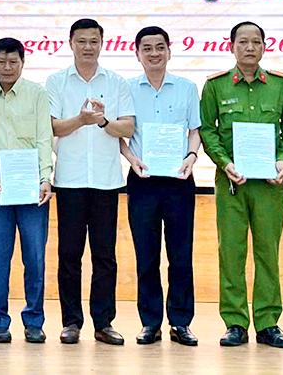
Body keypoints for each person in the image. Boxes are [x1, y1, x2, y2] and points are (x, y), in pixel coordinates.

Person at [199, 21, 283, 349]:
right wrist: (223, 162)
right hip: (231, 182)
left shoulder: (280, 86)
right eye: (243, 42)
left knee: (267, 252)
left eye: (256, 42)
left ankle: (268, 322)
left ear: (264, 46)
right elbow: (207, 129)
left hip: (269, 183)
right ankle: (235, 322)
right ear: (231, 46)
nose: (249, 47)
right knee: (231, 252)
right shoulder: (215, 86)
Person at [47, 18, 135, 346]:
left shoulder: (116, 83)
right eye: (81, 41)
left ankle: (104, 322)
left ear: (102, 43)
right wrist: (81, 120)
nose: (87, 47)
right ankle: (71, 322)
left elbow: (127, 128)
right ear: (71, 43)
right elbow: (53, 127)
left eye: (93, 41)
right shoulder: (56, 82)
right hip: (69, 181)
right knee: (69, 255)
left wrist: (101, 121)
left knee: (104, 256)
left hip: (106, 181)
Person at [117, 26, 201, 346]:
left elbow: (195, 130)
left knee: (181, 255)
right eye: (147, 48)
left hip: (179, 180)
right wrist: (131, 158)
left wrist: (192, 156)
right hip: (143, 181)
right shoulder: (126, 89)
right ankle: (150, 322)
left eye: (160, 47)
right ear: (137, 53)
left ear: (169, 50)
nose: (154, 53)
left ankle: (181, 322)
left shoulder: (187, 88)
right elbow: (118, 133)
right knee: (147, 255)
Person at [0, 38, 53, 344]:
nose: (7, 67)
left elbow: (44, 138)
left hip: (32, 181)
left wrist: (45, 177)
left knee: (34, 256)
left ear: (23, 63)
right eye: (2, 61)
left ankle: (34, 321)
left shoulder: (37, 94)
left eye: (13, 62)